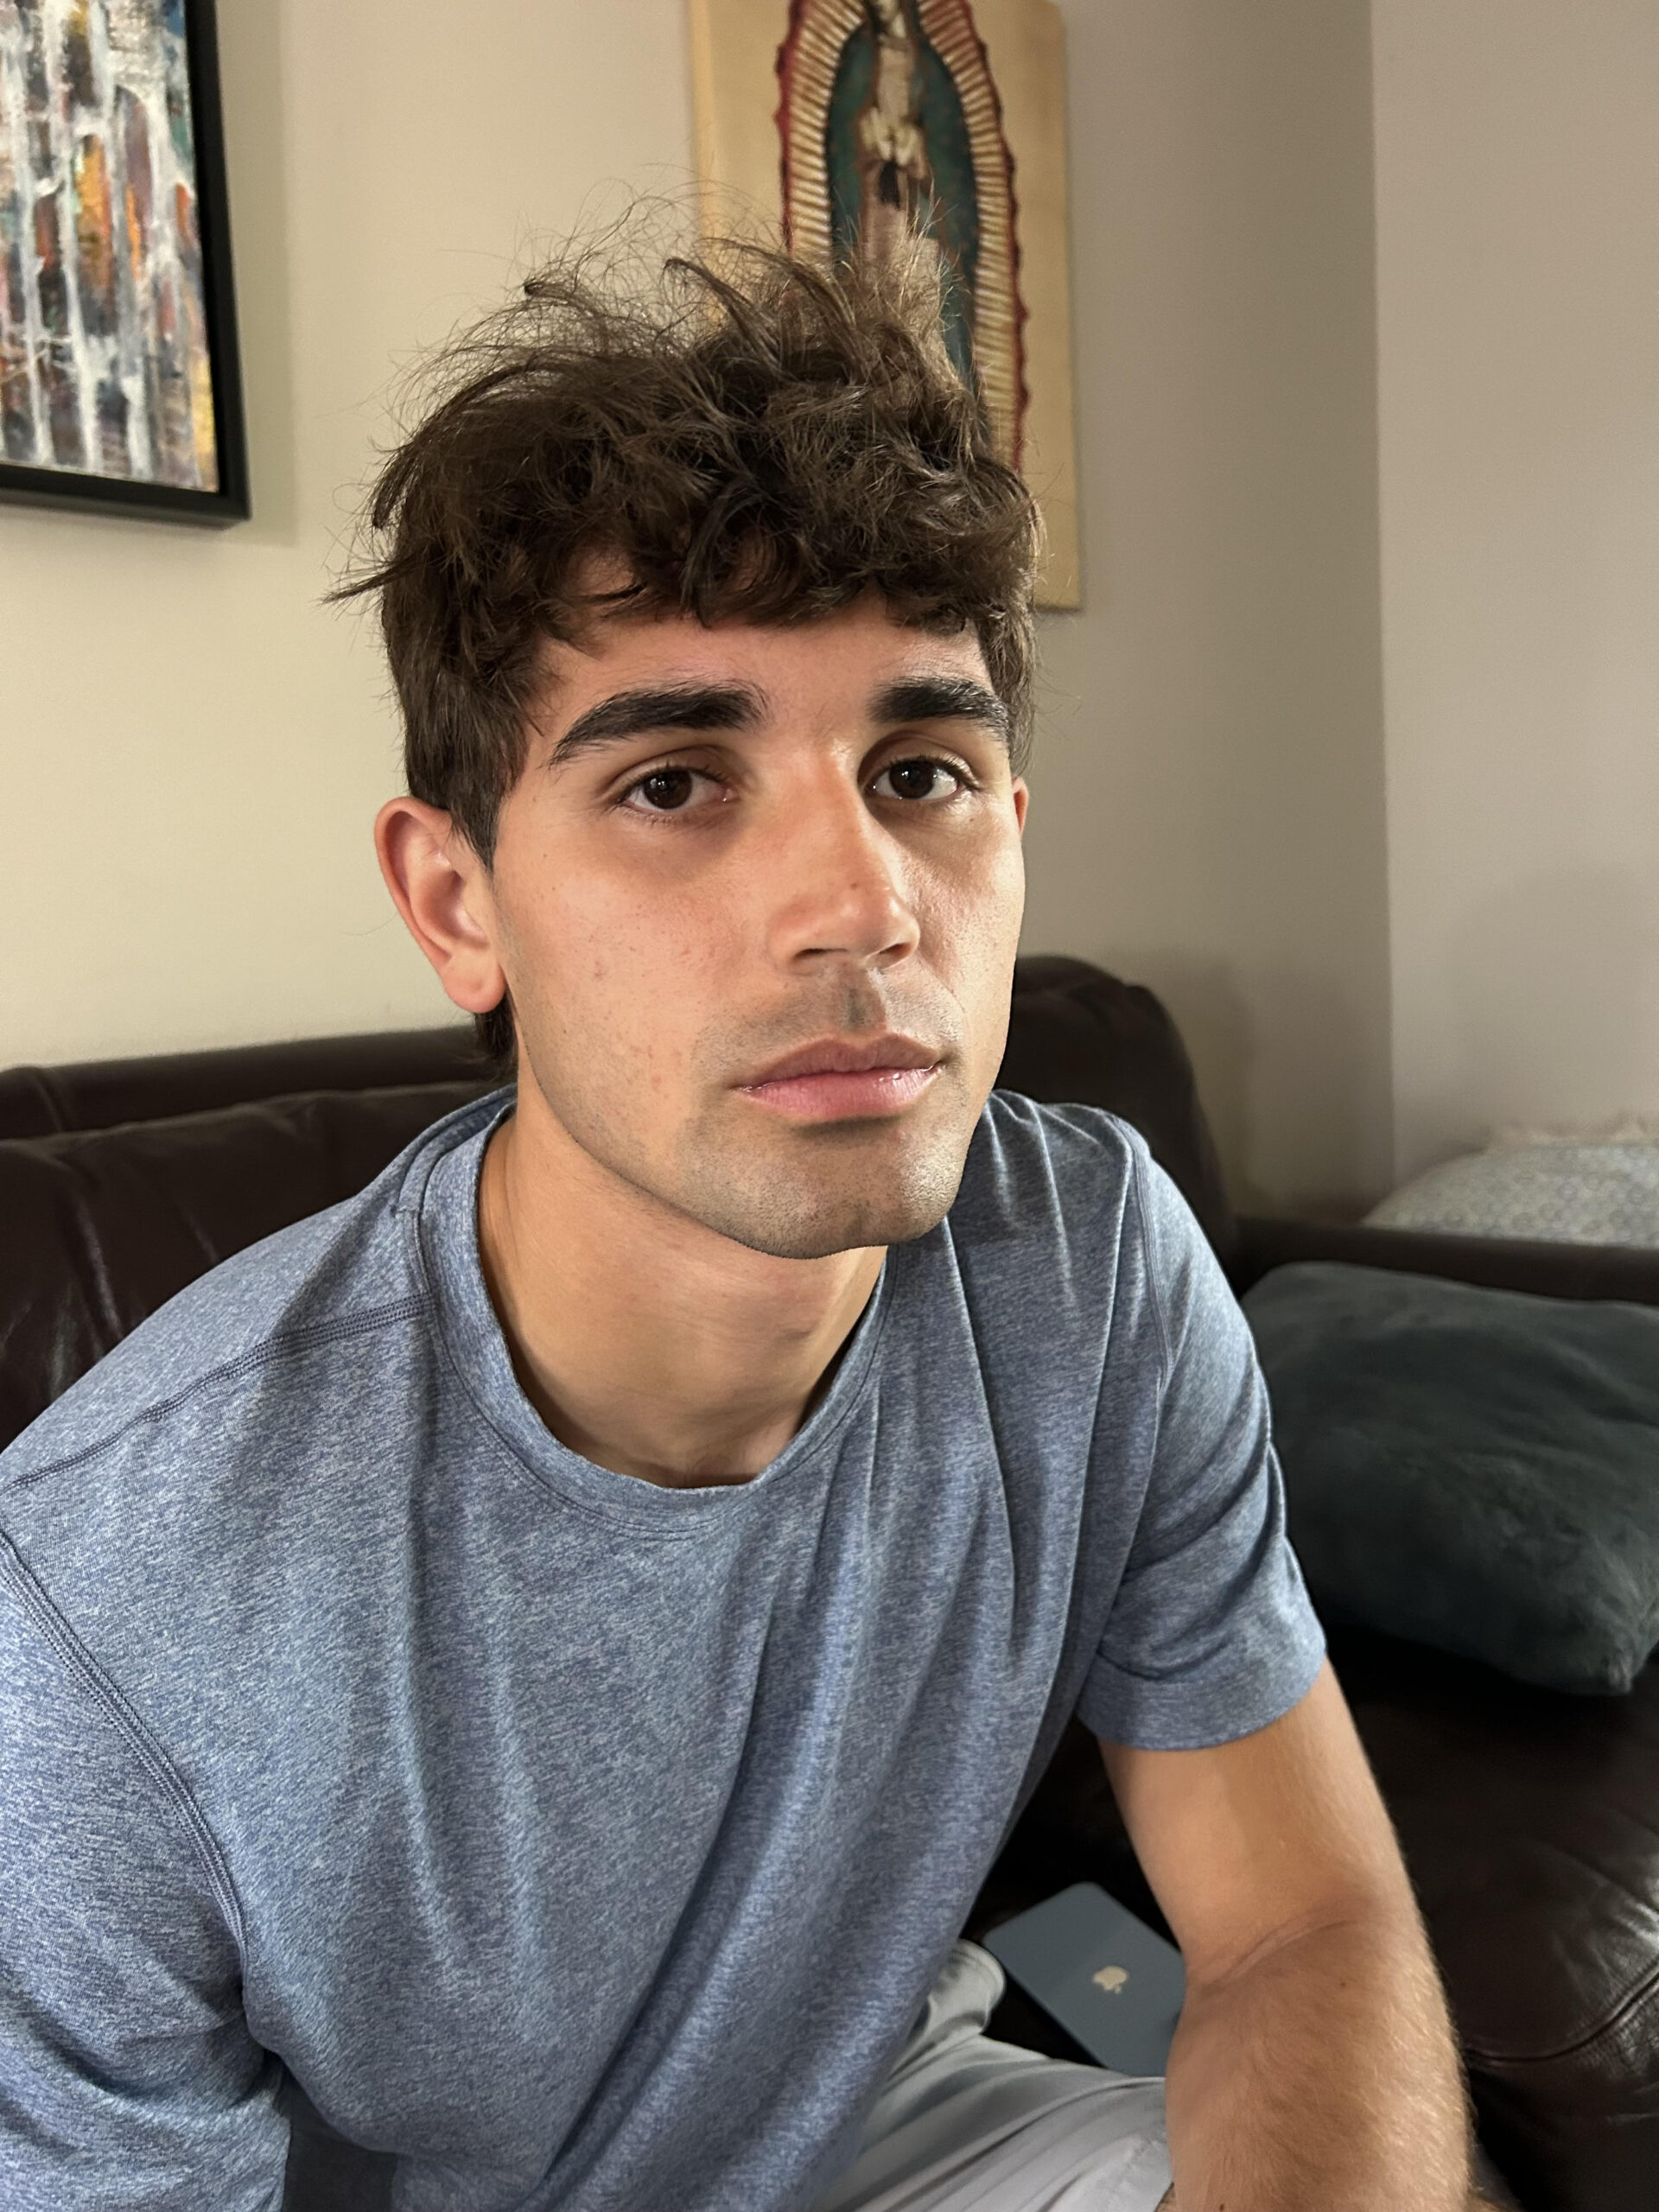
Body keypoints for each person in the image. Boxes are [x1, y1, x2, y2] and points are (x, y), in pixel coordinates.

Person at [0, 238, 1485, 2212]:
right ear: (456, 903)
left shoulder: (1092, 1263)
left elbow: (1302, 1923)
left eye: (922, 771)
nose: (862, 902)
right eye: (677, 781)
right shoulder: (105, 1616)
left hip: (896, 2112)